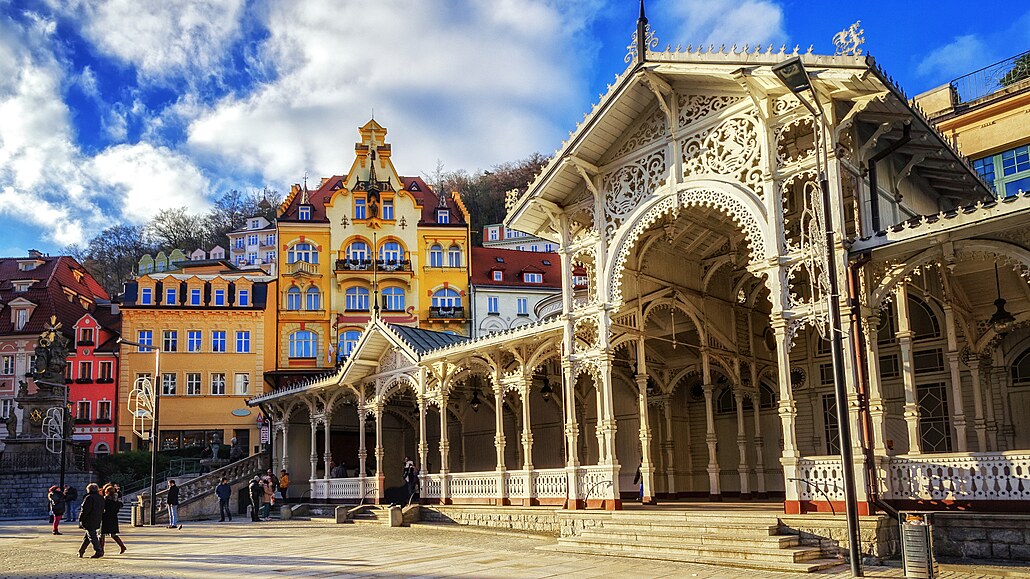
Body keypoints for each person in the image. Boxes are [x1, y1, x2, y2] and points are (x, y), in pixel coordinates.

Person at [77, 483, 104, 558]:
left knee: (92, 536)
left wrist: (80, 519)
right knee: (88, 536)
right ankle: (81, 551)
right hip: (97, 518)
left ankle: (99, 551)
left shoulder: (89, 498)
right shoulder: (100, 497)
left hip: (89, 519)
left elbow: (85, 510)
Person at [100, 484, 126, 554]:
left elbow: (102, 508)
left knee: (102, 535)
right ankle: (122, 546)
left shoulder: (105, 500)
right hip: (113, 518)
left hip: (105, 518)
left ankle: (101, 550)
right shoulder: (116, 501)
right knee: (113, 534)